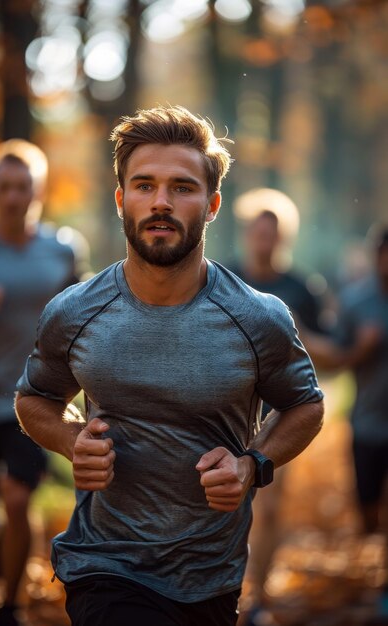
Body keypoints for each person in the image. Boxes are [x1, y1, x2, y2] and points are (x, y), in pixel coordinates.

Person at [14, 105, 324, 626]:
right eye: (144, 185)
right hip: (103, 565)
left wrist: (252, 466)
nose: (161, 202)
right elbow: (35, 398)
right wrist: (70, 441)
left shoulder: (258, 317)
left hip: (210, 575)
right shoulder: (74, 311)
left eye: (182, 187)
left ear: (212, 205)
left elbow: (305, 406)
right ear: (121, 199)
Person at [0, 139, 84, 626]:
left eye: (24, 187)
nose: (14, 197)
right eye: (5, 187)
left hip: (31, 399)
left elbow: (79, 319)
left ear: (39, 191)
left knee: (18, 499)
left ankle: (10, 606)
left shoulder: (62, 251)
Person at [229, 189, 325, 626]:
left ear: (285, 236)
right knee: (225, 502)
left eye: (274, 233)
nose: (265, 240)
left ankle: (257, 597)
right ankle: (222, 588)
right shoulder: (222, 277)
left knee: (267, 506)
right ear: (248, 233)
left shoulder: (302, 289)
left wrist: (303, 333)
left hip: (277, 412)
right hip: (224, 406)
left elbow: (327, 351)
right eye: (258, 231)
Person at [303, 224, 388, 618]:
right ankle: (371, 562)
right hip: (369, 425)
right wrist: (360, 349)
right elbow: (334, 357)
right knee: (367, 507)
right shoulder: (357, 301)